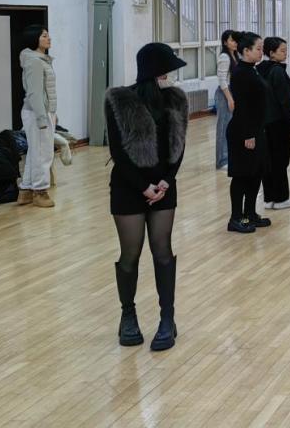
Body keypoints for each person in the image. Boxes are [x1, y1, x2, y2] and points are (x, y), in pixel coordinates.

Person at [104, 43, 188, 351]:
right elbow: (118, 152)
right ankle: (128, 316)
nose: (170, 76)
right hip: (129, 186)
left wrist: (166, 181)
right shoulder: (119, 100)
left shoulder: (175, 99)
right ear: (155, 71)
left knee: (162, 250)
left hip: (163, 186)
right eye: (166, 70)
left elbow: (178, 146)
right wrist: (143, 187)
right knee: (130, 253)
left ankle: (168, 318)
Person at [226, 32, 271, 234]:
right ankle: (236, 218)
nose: (262, 52)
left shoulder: (252, 70)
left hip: (256, 130)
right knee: (242, 175)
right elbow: (242, 107)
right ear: (246, 51)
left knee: (256, 173)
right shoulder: (240, 74)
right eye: (258, 49)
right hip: (243, 132)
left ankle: (250, 213)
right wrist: (248, 135)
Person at [258, 37, 290, 210]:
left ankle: (269, 198)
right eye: (282, 51)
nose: (285, 53)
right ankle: (281, 198)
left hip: (265, 122)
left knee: (269, 161)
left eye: (286, 50)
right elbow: (285, 100)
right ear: (272, 53)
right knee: (280, 161)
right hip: (279, 122)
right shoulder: (277, 72)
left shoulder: (260, 69)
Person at [18, 25, 57, 208]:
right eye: (44, 36)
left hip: (42, 111)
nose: (49, 38)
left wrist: (52, 113)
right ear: (35, 39)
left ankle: (26, 191)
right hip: (36, 113)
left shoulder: (40, 59)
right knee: (43, 153)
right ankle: (40, 191)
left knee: (35, 151)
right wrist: (42, 118)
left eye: (48, 35)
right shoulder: (34, 61)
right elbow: (34, 93)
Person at [215, 30, 239, 169]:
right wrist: (229, 99)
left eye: (236, 40)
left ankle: (230, 156)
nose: (235, 43)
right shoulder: (224, 57)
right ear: (225, 42)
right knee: (223, 127)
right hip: (225, 93)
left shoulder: (235, 55)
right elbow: (222, 80)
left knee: (231, 127)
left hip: (233, 91)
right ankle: (222, 161)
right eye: (232, 40)